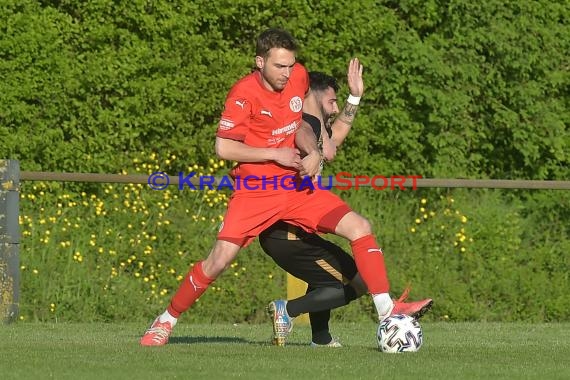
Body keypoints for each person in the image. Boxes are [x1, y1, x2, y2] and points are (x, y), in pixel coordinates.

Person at [140, 27, 415, 347]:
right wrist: (273, 153)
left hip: (294, 187)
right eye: (279, 66)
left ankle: (387, 314)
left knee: (359, 225)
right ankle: (165, 320)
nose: (287, 73)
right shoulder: (242, 94)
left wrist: (312, 153)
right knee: (218, 260)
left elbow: (298, 125)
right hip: (255, 190)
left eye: (290, 65)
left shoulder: (298, 78)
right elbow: (223, 148)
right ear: (259, 62)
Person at [259, 60, 432, 347]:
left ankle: (321, 338)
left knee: (330, 277)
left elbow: (333, 139)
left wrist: (355, 96)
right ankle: (288, 310)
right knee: (359, 257)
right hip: (285, 230)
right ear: (312, 94)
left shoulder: (315, 124)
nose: (337, 107)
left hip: (291, 231)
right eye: (333, 100)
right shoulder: (301, 121)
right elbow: (313, 137)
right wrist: (312, 150)